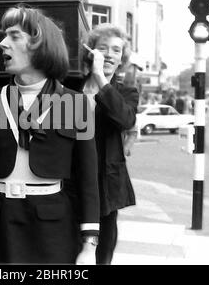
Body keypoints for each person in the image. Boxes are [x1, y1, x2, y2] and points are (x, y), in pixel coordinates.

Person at [0, 5, 100, 264]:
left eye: (14, 36)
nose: (2, 43)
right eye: (4, 35)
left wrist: (89, 245)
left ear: (39, 44)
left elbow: (88, 178)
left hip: (52, 228)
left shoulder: (77, 104)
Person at [81, 23, 139, 265]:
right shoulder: (72, 85)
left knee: (102, 253)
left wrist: (101, 80)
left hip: (105, 182)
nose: (109, 54)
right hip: (71, 178)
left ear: (121, 58)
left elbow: (125, 118)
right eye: (103, 48)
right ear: (91, 51)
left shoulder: (126, 92)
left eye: (116, 50)